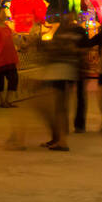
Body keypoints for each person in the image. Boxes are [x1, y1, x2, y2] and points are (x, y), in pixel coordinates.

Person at [36, 13, 82, 150]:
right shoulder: (69, 34)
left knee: (59, 108)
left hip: (60, 72)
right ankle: (58, 138)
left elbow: (57, 52)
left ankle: (61, 140)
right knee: (59, 107)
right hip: (65, 72)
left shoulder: (65, 35)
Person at [0, 6, 19, 108]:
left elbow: (12, 39)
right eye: (3, 13)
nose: (5, 15)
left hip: (10, 57)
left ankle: (8, 100)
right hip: (0, 57)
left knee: (14, 79)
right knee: (0, 81)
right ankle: (2, 101)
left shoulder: (7, 27)